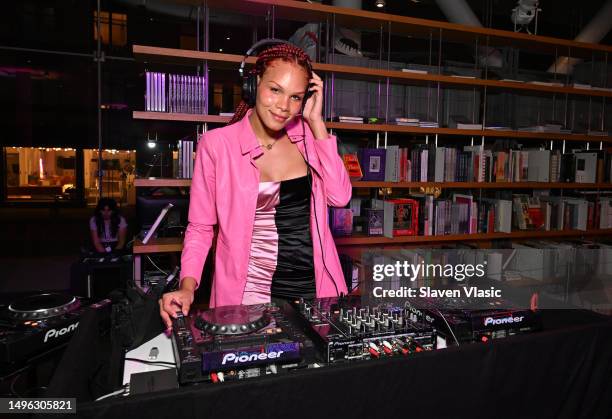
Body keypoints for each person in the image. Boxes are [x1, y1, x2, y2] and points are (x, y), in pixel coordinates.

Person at [159, 41, 352, 330]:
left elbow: (340, 197)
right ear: (254, 84)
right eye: (275, 90)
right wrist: (188, 287)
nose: (284, 107)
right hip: (248, 296)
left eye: (296, 97)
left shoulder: (309, 138)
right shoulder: (217, 146)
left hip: (314, 291)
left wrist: (317, 123)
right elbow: (200, 228)